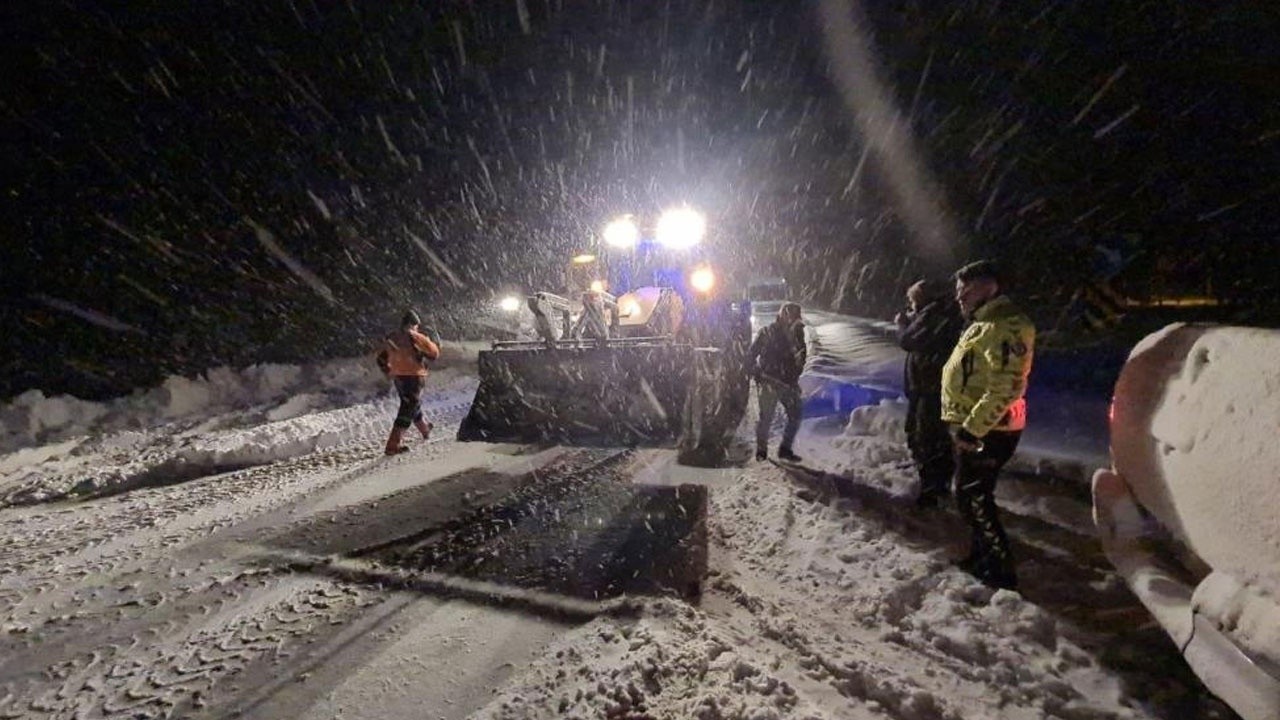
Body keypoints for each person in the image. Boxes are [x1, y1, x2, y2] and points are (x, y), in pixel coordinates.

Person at [942, 260, 1035, 590]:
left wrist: (973, 429)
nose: (959, 298)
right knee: (969, 497)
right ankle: (982, 557)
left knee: (976, 498)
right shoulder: (983, 323)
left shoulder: (1005, 325)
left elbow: (1008, 385)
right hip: (976, 426)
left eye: (964, 291)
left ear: (986, 287)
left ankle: (1000, 570)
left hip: (990, 430)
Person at [894, 279, 964, 508]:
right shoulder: (942, 314)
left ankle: (932, 487)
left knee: (925, 436)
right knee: (932, 435)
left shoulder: (933, 314)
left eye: (912, 300)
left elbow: (908, 340)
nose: (910, 304)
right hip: (932, 385)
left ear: (921, 298)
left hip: (929, 386)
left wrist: (903, 323)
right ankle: (937, 482)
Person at [376, 310, 441, 455]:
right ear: (414, 324)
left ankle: (424, 429)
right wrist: (431, 343)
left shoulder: (392, 337)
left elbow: (381, 358)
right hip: (414, 376)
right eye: (417, 326)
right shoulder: (416, 336)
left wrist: (389, 370)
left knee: (411, 403)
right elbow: (434, 354)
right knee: (408, 408)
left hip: (399, 377)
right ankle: (393, 444)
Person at [748, 302, 806, 462]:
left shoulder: (797, 335)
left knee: (795, 414)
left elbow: (800, 360)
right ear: (784, 316)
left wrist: (794, 377)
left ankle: (785, 449)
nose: (795, 322)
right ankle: (761, 451)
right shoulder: (767, 333)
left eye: (796, 320)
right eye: (793, 318)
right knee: (766, 417)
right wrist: (757, 372)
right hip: (769, 382)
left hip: (788, 384)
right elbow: (751, 355)